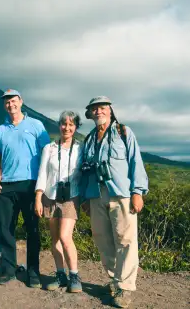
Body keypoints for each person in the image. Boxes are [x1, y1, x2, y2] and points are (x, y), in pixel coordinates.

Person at [81, 96, 148, 308]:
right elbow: (84, 171)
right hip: (95, 194)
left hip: (121, 194)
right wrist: (84, 197)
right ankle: (114, 279)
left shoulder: (123, 132)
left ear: (109, 110)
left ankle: (125, 287)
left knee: (125, 240)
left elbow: (135, 161)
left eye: (102, 108)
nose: (98, 111)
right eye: (95, 109)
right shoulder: (89, 139)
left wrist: (137, 192)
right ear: (90, 113)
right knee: (102, 239)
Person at [0, 89, 50, 287]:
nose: (10, 104)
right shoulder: (0, 130)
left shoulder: (36, 125)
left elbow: (47, 154)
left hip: (30, 183)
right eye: (7, 102)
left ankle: (33, 271)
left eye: (13, 100)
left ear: (21, 102)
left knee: (32, 228)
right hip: (6, 185)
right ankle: (7, 269)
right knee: (6, 229)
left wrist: (44, 183)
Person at [34, 111, 83, 293]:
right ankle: (60, 274)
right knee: (54, 238)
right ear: (59, 125)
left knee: (65, 236)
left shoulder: (81, 148)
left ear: (76, 127)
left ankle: (74, 275)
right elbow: (42, 173)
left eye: (71, 125)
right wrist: (38, 197)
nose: (67, 128)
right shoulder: (49, 148)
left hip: (71, 196)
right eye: (64, 124)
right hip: (50, 195)